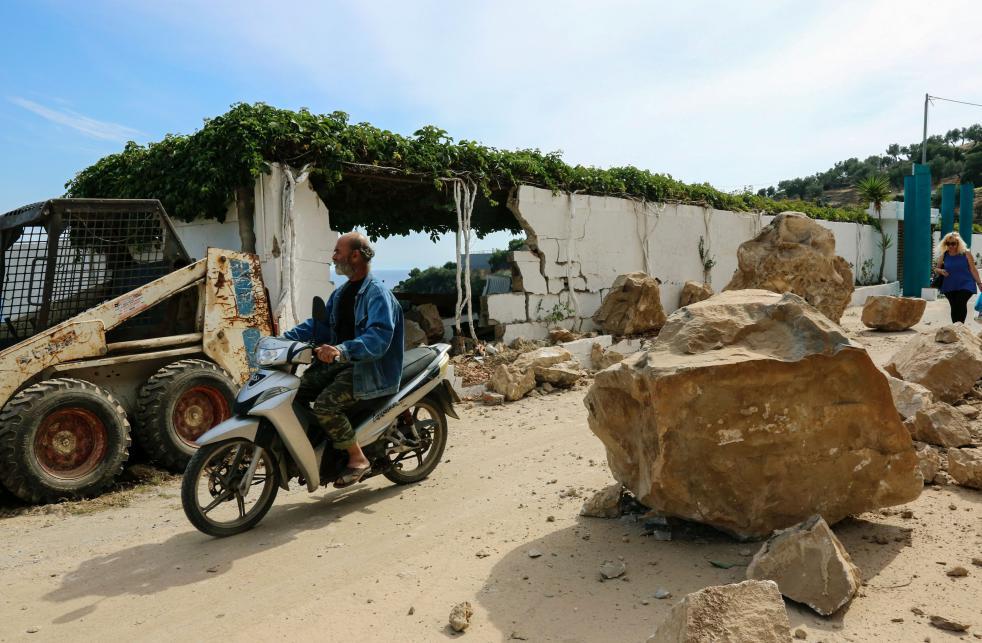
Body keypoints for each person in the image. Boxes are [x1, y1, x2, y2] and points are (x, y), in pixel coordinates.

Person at [283, 232, 404, 487]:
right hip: (342, 363)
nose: (334, 256)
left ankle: (357, 458)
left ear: (355, 255)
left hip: (368, 369)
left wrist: (341, 350)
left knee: (326, 405)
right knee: (292, 392)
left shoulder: (377, 294)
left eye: (338, 251)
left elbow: (378, 338)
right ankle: (321, 445)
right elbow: (320, 326)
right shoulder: (341, 294)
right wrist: (282, 339)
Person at [933, 231, 982, 324]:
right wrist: (941, 271)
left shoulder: (966, 253)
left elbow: (973, 269)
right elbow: (936, 268)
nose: (950, 246)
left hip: (966, 284)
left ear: (958, 243)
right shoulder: (944, 254)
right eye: (948, 243)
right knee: (954, 306)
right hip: (949, 285)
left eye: (953, 243)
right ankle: (955, 328)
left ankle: (960, 326)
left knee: (961, 302)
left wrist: (979, 283)